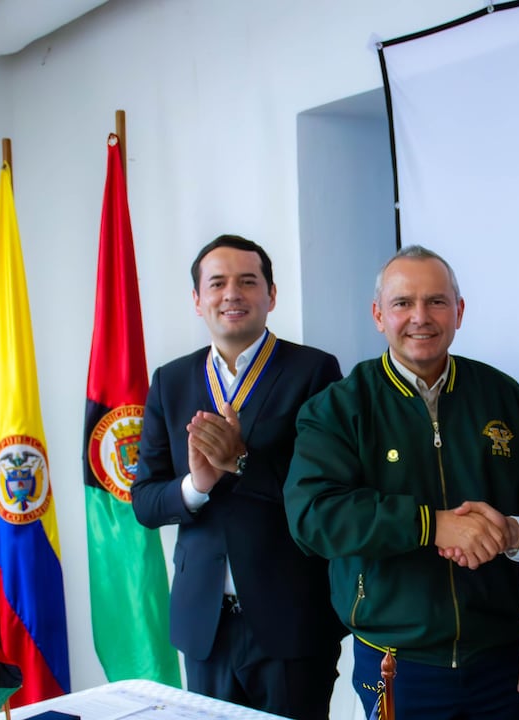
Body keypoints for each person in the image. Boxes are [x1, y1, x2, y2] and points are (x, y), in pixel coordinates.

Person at [283, 245, 519, 720]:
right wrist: (430, 525)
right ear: (378, 315)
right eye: (402, 303)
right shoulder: (340, 407)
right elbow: (312, 517)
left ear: (459, 311)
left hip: (503, 658)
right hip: (394, 663)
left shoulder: (506, 398)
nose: (420, 317)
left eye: (436, 301)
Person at [130, 234, 345, 720]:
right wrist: (197, 485)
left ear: (271, 295)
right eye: (218, 283)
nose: (233, 294)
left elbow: (326, 493)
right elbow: (144, 500)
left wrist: (242, 462)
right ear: (197, 299)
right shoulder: (171, 379)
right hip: (206, 625)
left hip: (291, 618)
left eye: (248, 282)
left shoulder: (313, 371)